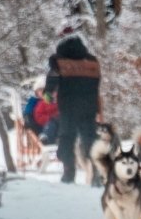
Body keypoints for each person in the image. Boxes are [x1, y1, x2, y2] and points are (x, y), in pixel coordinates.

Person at [43, 27, 101, 184]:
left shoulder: (58, 61)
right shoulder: (91, 61)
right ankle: (96, 172)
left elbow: (53, 78)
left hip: (68, 107)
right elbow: (96, 84)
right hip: (89, 107)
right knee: (90, 139)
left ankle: (69, 172)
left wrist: (48, 92)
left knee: (67, 138)